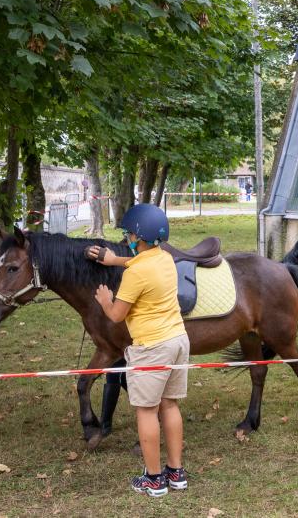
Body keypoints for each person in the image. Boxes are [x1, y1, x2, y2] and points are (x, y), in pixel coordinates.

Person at [89, 203, 190, 497]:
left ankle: (155, 480)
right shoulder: (166, 259)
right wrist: (114, 260)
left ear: (138, 236)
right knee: (170, 405)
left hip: (152, 347)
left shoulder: (136, 274)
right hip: (178, 341)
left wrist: (106, 299)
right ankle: (176, 473)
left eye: (129, 234)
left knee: (146, 411)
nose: (127, 239)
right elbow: (138, 263)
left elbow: (117, 315)